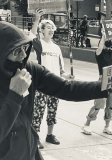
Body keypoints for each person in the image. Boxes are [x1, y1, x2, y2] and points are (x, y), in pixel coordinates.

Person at [0, 21, 112, 160]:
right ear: (0, 53)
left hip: (29, 151)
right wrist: (14, 95)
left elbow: (66, 88)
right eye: (15, 51)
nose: (22, 55)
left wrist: (108, 86)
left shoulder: (30, 69)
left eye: (25, 48)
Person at [30, 9, 72, 148]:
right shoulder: (39, 44)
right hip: (42, 84)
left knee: (52, 111)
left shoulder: (56, 48)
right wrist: (37, 19)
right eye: (48, 28)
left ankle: (49, 135)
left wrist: (66, 76)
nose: (51, 30)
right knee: (38, 112)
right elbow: (31, 37)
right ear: (42, 30)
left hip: (55, 84)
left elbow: (61, 70)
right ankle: (34, 138)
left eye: (52, 28)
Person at [81, 27, 112, 135]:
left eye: (111, 40)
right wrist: (104, 35)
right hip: (102, 81)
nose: (110, 42)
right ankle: (87, 124)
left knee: (111, 105)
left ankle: (107, 126)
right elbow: (99, 48)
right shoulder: (99, 53)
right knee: (99, 104)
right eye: (108, 40)